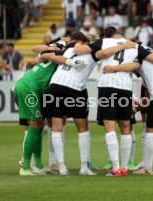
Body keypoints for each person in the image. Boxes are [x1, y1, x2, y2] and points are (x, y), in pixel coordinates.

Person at [74, 27, 153, 176]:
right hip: (125, 87)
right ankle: (124, 167)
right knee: (126, 126)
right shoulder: (135, 45)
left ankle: (115, 168)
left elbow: (82, 51)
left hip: (107, 85)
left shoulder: (105, 41)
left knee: (110, 127)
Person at [102, 53, 153, 175]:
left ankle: (148, 167)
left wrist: (113, 68)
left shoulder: (141, 57)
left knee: (151, 130)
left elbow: (133, 66)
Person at [44, 32, 102, 176]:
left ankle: (62, 167)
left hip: (54, 86)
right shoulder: (95, 52)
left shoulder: (70, 49)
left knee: (56, 129)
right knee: (83, 129)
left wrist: (68, 60)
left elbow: (51, 57)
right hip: (74, 88)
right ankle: (83, 167)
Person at [13, 49, 63, 176]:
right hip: (29, 89)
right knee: (34, 125)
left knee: (39, 125)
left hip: (25, 86)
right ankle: (25, 167)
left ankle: (39, 165)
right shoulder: (59, 63)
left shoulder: (48, 60)